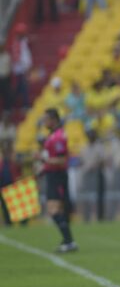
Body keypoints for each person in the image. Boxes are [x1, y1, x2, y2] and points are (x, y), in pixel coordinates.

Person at [38, 108, 77, 253]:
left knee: (53, 209)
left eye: (46, 119)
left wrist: (44, 160)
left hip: (57, 176)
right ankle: (68, 241)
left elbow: (62, 159)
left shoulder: (58, 137)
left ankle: (69, 241)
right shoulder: (53, 135)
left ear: (53, 120)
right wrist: (43, 168)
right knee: (58, 209)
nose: (44, 122)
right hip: (52, 174)